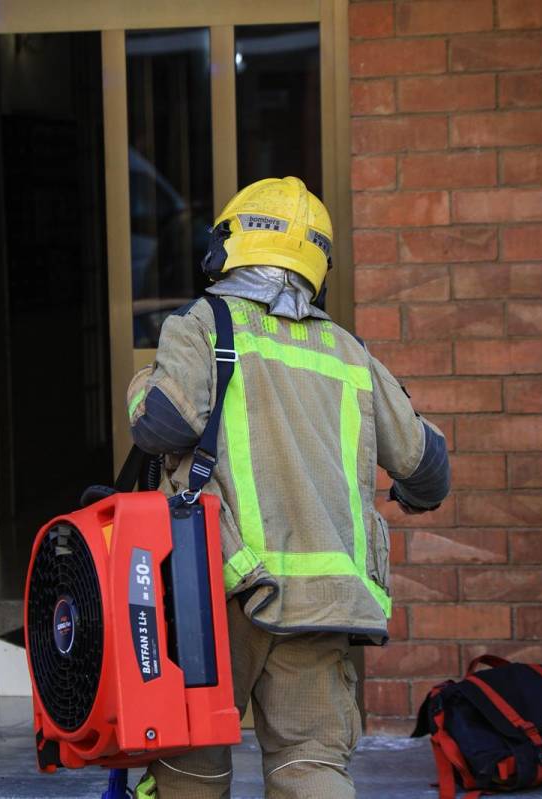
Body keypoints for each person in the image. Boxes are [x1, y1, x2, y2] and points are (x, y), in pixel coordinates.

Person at [126, 177, 451, 798]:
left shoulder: (205, 323)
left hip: (221, 588)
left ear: (227, 247)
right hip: (323, 600)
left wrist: (143, 382)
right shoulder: (349, 352)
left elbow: (161, 423)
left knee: (190, 768)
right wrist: (407, 492)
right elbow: (428, 467)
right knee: (310, 767)